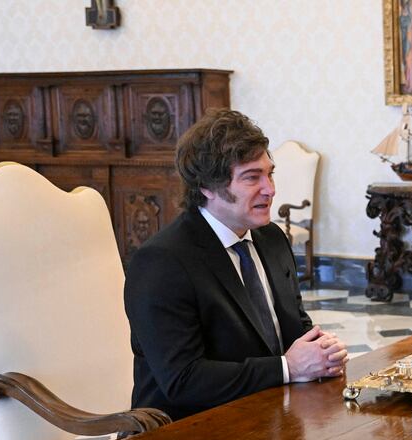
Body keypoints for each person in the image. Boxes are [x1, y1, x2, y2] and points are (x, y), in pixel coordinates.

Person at [124, 109, 348, 421]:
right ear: (207, 187)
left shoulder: (271, 239)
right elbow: (183, 380)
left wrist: (321, 350)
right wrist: (288, 367)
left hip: (269, 420)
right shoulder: (161, 263)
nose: (270, 189)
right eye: (252, 177)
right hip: (188, 435)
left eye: (269, 174)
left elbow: (294, 326)